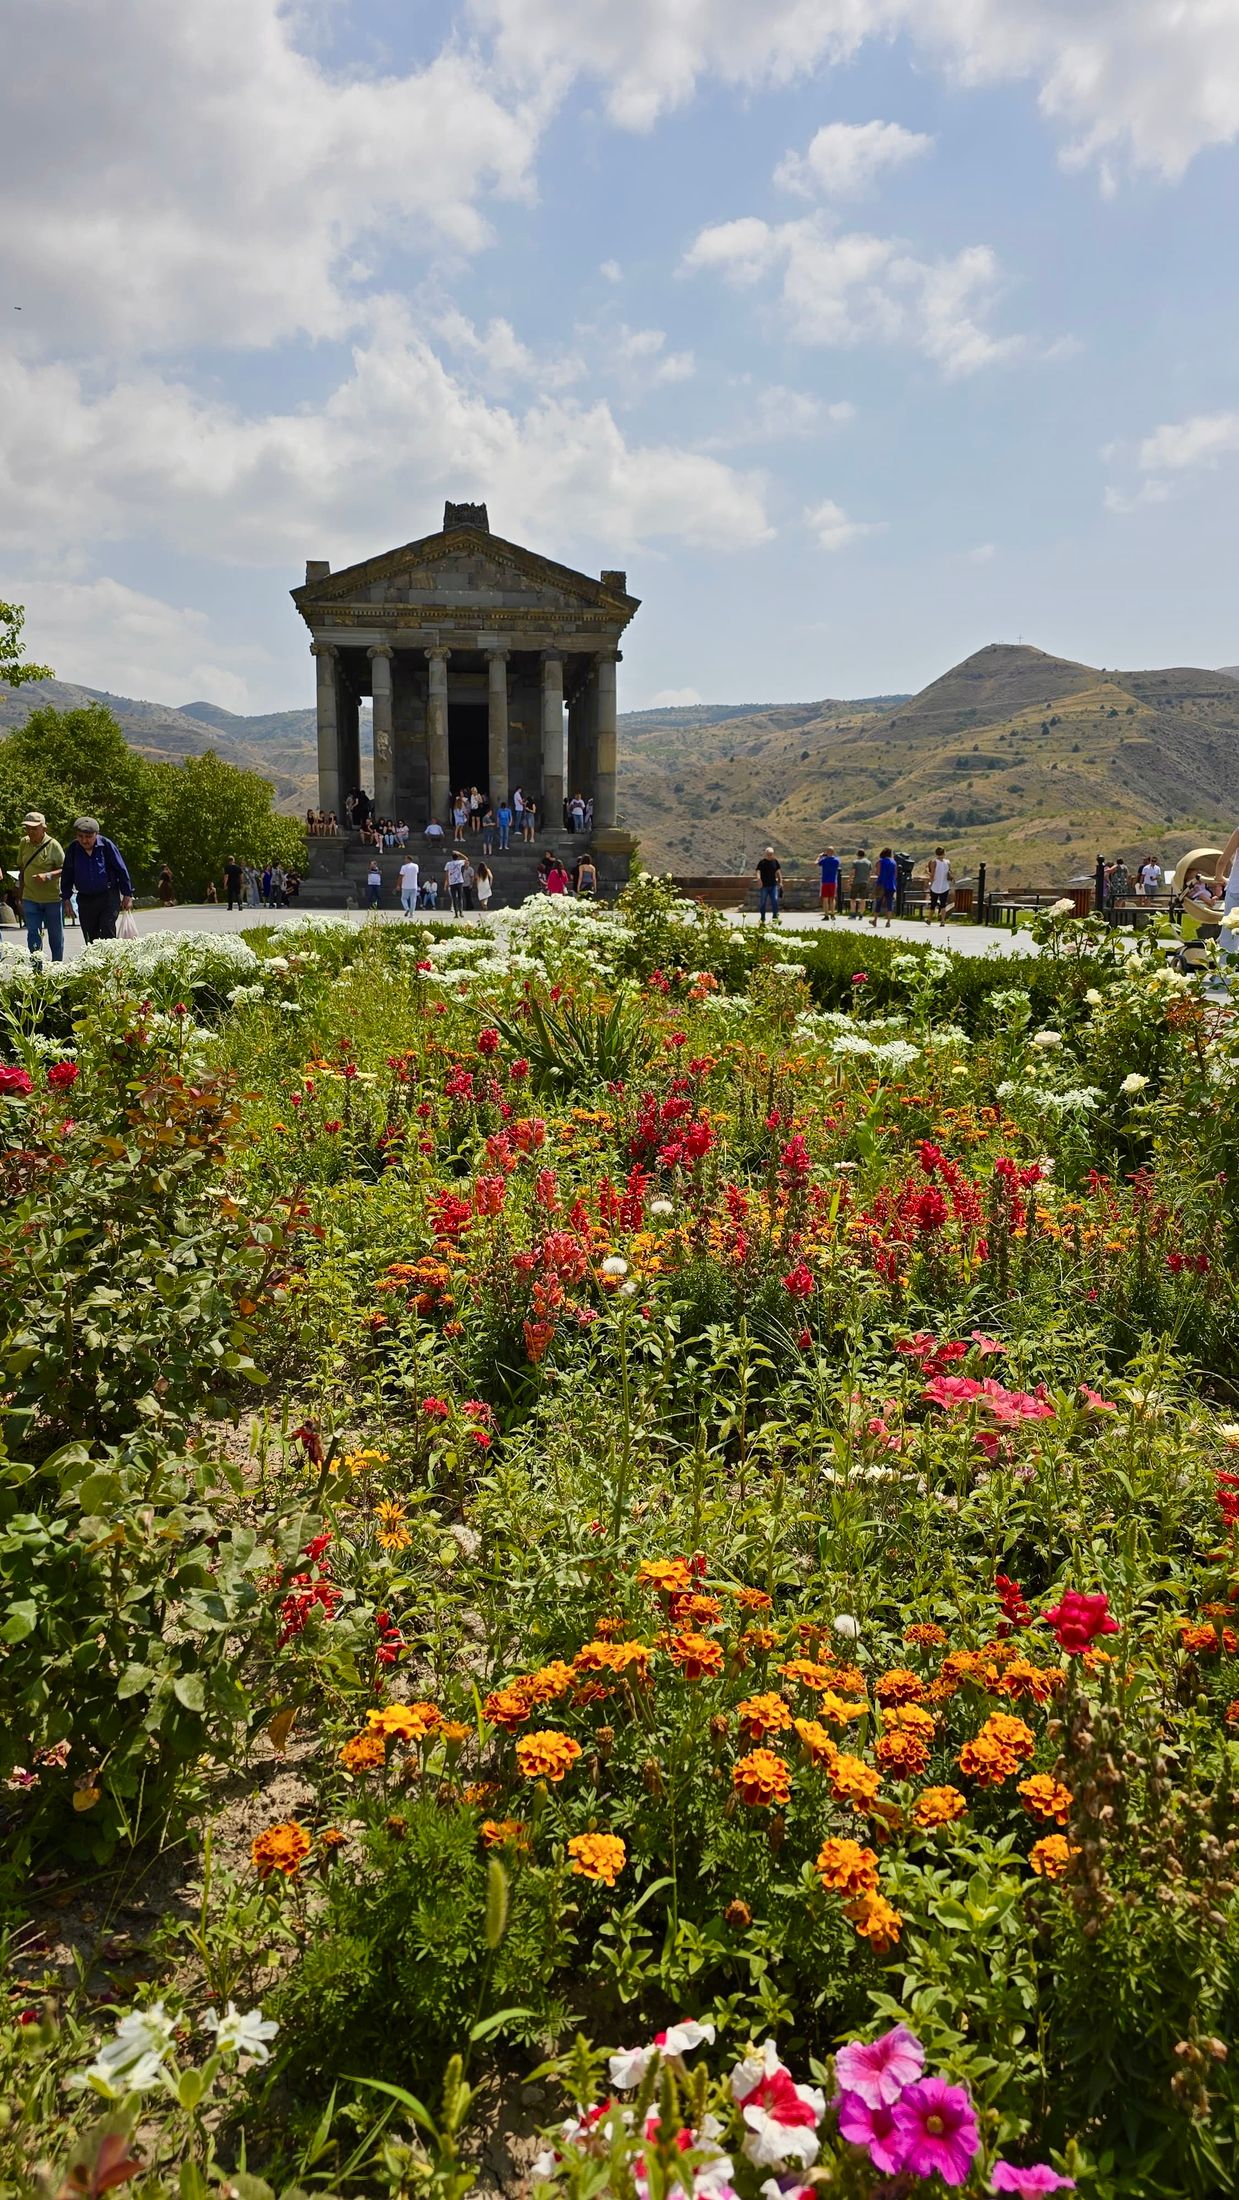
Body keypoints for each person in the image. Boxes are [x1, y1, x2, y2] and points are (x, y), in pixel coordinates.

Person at [60, 817, 134, 945]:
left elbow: (121, 869)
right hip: (85, 899)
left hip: (108, 896)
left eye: (88, 837)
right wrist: (66, 899)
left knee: (107, 929)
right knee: (90, 937)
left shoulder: (106, 845)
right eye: (80, 836)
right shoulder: (73, 849)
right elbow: (67, 875)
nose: (84, 840)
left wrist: (127, 894)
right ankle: (94, 958)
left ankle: (110, 957)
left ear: (96, 834)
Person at [16, 811, 67, 964]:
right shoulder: (24, 843)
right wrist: (20, 893)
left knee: (55, 935)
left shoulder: (53, 845)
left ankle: (56, 967)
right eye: (27, 828)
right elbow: (22, 868)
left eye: (34, 828)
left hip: (52, 899)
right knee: (33, 934)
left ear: (44, 828)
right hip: (30, 897)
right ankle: (37, 968)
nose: (30, 831)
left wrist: (48, 875)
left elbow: (66, 869)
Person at [871, 847, 898, 927]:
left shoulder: (880, 861)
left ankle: (875, 920)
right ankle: (888, 921)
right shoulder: (894, 862)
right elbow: (895, 874)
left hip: (881, 884)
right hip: (891, 885)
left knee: (878, 902)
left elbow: (877, 873)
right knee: (889, 903)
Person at [926, 846, 952, 928]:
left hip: (935, 886)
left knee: (933, 904)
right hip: (945, 886)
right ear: (944, 853)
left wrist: (927, 872)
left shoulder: (934, 862)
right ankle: (943, 921)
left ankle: (929, 919)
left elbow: (933, 875)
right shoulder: (947, 862)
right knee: (943, 905)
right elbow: (949, 873)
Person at [756, 846, 782, 925]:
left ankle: (775, 916)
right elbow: (758, 872)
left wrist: (780, 882)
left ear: (773, 854)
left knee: (775, 900)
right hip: (764, 886)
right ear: (766, 854)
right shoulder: (762, 862)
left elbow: (778, 872)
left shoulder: (775, 862)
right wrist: (759, 880)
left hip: (773, 885)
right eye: (768, 854)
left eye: (771, 854)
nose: (769, 855)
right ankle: (762, 917)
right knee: (763, 902)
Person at [817, 844, 841, 920]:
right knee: (832, 898)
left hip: (825, 882)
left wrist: (819, 856)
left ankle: (826, 915)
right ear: (833, 852)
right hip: (833, 882)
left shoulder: (824, 860)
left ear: (826, 852)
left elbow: (816, 863)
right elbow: (837, 862)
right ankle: (833, 914)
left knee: (825, 899)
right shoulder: (836, 860)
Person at [847, 849, 871, 918]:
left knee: (853, 899)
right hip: (864, 882)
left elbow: (853, 872)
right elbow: (869, 874)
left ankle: (853, 914)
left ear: (857, 855)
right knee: (863, 899)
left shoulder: (855, 862)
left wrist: (849, 881)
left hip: (856, 882)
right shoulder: (868, 862)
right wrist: (867, 881)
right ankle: (861, 914)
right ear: (864, 855)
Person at [444, 848, 467, 916]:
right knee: (460, 898)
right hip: (459, 881)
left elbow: (447, 874)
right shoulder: (460, 862)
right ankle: (461, 912)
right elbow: (466, 859)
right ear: (457, 857)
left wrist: (447, 882)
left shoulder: (448, 864)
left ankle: (456, 913)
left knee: (454, 898)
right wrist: (459, 853)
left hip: (452, 882)